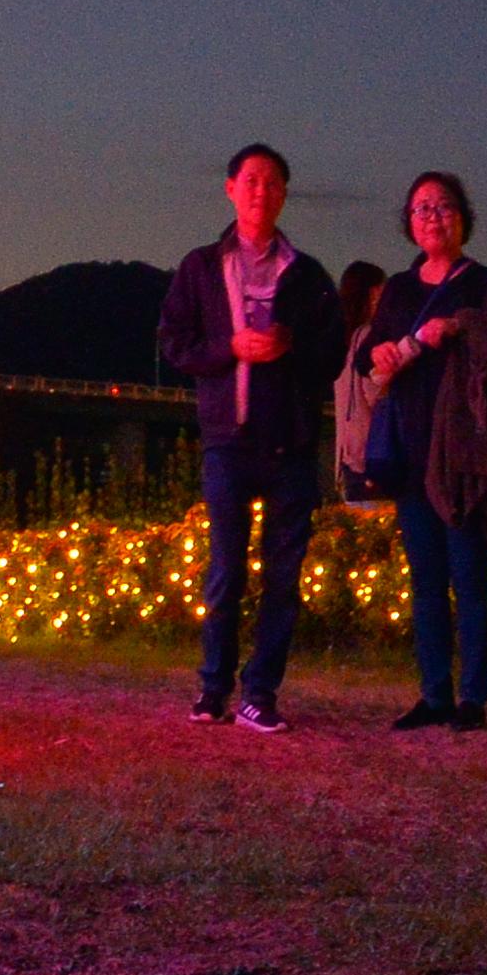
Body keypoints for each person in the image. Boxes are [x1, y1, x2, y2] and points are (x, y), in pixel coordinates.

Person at [338, 171, 487, 731]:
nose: (432, 217)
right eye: (422, 209)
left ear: (463, 216)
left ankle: (473, 697)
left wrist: (462, 324)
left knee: (469, 573)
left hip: (464, 450)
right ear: (409, 222)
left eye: (443, 207)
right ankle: (433, 694)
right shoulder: (399, 290)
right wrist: (384, 353)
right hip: (410, 448)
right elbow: (364, 359)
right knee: (425, 578)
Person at [154, 141, 340, 730]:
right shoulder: (201, 267)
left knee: (283, 578)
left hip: (291, 442)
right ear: (231, 189)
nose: (263, 191)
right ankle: (213, 689)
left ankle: (260, 693)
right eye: (252, 181)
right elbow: (174, 342)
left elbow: (332, 353)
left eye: (274, 183)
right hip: (227, 441)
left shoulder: (307, 276)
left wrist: (290, 349)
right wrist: (227, 348)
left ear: (284, 195)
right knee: (226, 570)